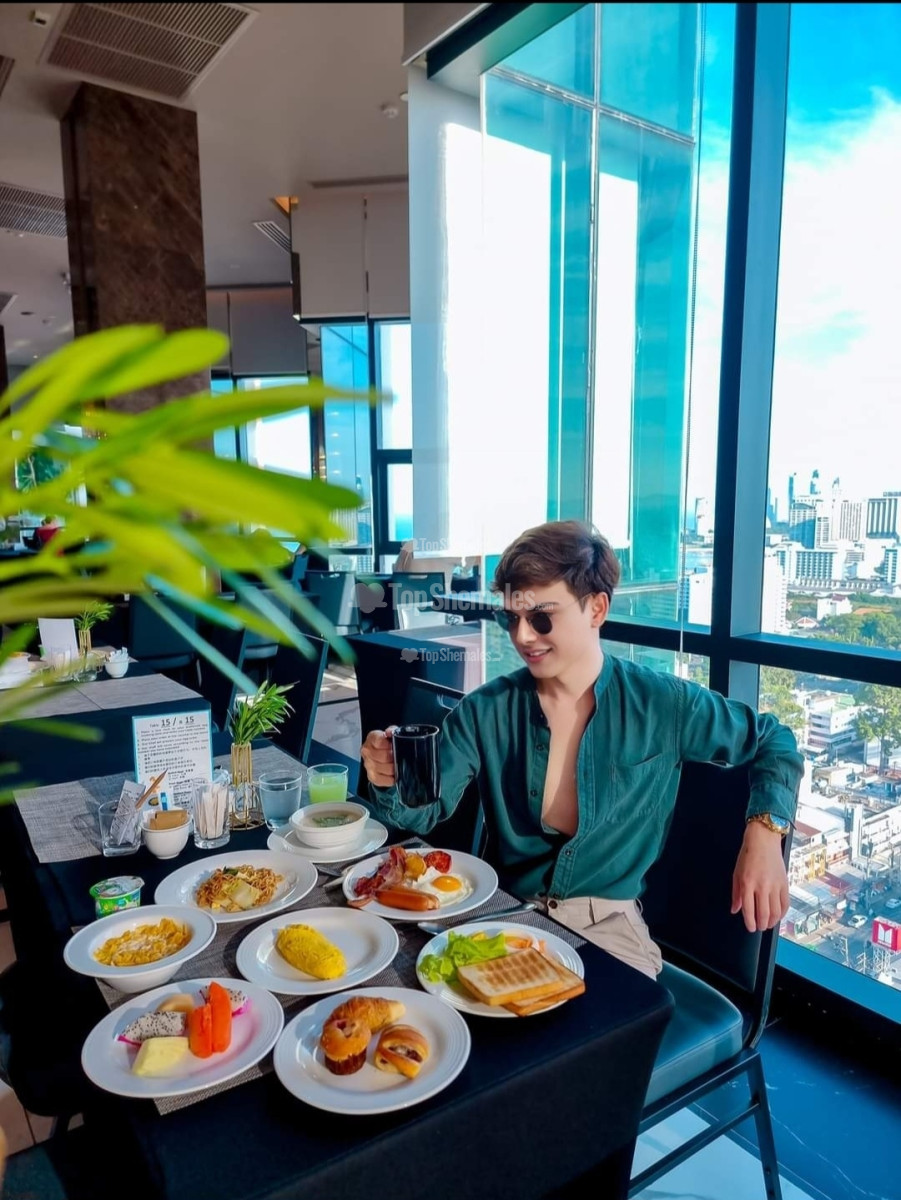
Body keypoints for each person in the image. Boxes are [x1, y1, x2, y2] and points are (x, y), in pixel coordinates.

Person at [361, 520, 803, 979]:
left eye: (541, 617)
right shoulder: (486, 710)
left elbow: (774, 739)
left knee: (604, 1024)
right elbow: (420, 815)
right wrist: (387, 774)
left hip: (608, 928)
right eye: (511, 618)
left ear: (596, 608)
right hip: (506, 917)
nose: (522, 636)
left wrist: (764, 834)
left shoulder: (662, 703)